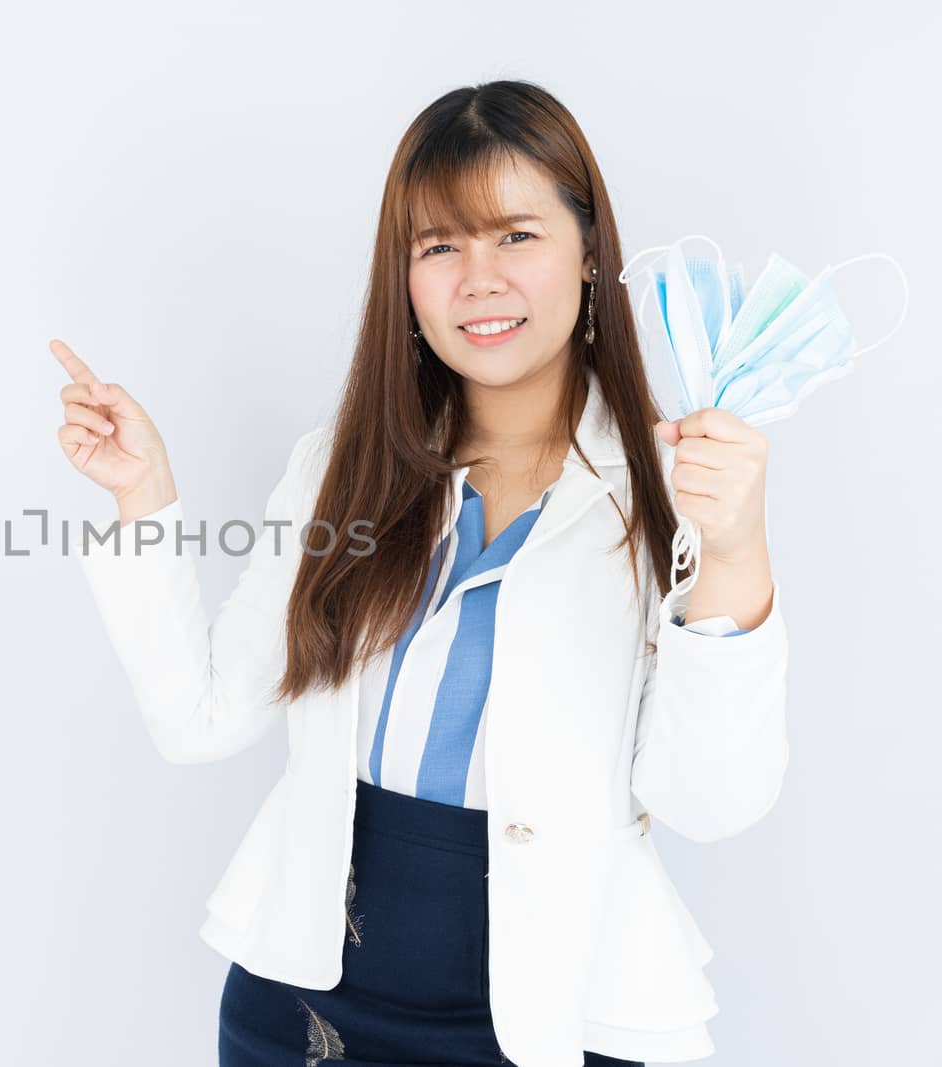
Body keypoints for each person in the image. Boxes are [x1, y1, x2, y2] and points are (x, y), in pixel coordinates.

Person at [51, 79, 787, 1067]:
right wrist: (144, 498)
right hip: (307, 1006)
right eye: (439, 246)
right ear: (402, 279)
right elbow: (200, 717)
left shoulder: (676, 488)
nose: (477, 278)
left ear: (587, 254)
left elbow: (710, 801)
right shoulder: (339, 468)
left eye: (515, 235)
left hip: (562, 1016)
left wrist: (733, 552)